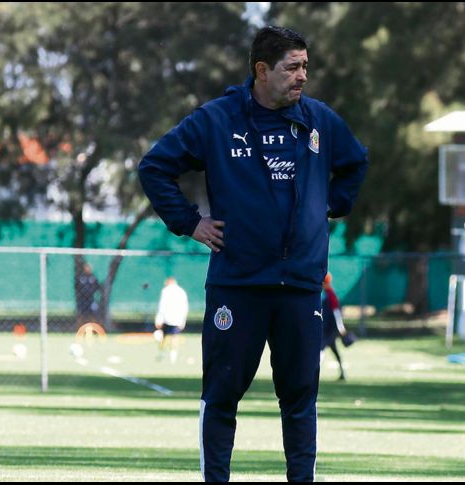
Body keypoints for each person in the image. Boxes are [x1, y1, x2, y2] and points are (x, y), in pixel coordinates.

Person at [139, 26, 368, 482]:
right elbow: (154, 167)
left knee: (300, 399)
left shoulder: (320, 121)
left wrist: (331, 205)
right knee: (222, 395)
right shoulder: (216, 120)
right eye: (291, 68)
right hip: (237, 285)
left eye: (305, 66)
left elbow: (355, 162)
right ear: (262, 71)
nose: (302, 76)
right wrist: (190, 222)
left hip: (301, 288)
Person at [320, 272, 356, 381]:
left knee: (320, 351)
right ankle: (342, 373)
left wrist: (341, 328)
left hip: (328, 330)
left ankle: (313, 373)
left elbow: (336, 313)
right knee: (334, 351)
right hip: (327, 329)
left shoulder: (330, 295)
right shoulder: (326, 294)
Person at [154, 277, 189, 363]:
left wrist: (159, 319)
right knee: (175, 337)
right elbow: (185, 307)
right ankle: (173, 356)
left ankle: (162, 353)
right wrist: (183, 320)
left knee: (164, 336)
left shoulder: (165, 291)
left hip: (167, 318)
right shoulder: (182, 292)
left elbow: (162, 306)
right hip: (177, 319)